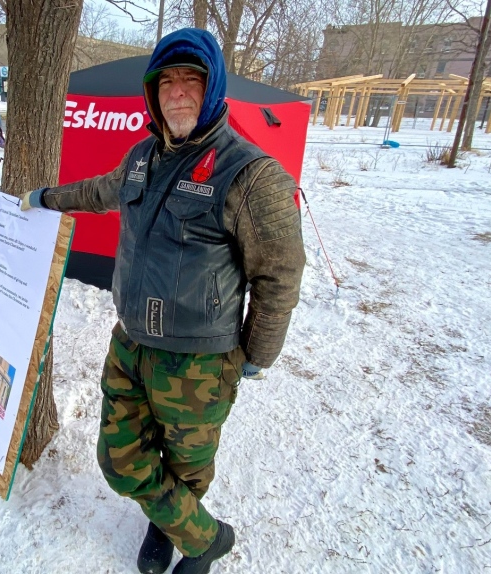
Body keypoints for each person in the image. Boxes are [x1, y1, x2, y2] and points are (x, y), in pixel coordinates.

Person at [20, 28, 305, 574]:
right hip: (130, 342)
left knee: (188, 465)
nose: (176, 92)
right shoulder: (141, 157)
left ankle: (176, 531)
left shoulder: (251, 175)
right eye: (166, 81)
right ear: (152, 93)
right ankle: (204, 537)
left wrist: (255, 356)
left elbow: (280, 277)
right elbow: (99, 191)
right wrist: (45, 198)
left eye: (190, 80)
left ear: (213, 86)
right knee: (120, 460)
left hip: (198, 360)